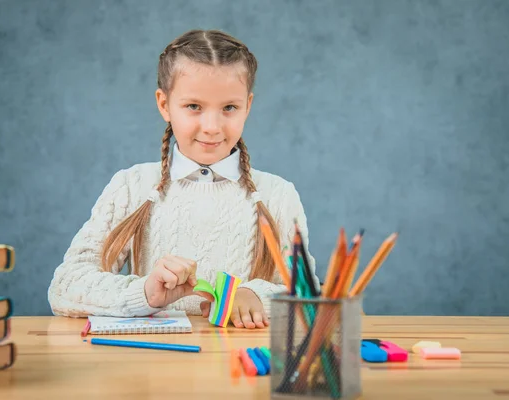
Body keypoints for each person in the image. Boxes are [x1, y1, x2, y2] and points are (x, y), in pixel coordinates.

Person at [47, 29, 320, 329]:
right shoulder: (131, 186)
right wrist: (145, 293)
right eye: (194, 107)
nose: (212, 127)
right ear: (164, 105)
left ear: (248, 106)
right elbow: (65, 286)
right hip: (152, 367)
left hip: (241, 366)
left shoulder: (278, 195)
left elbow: (308, 298)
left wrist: (256, 295)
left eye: (229, 107)